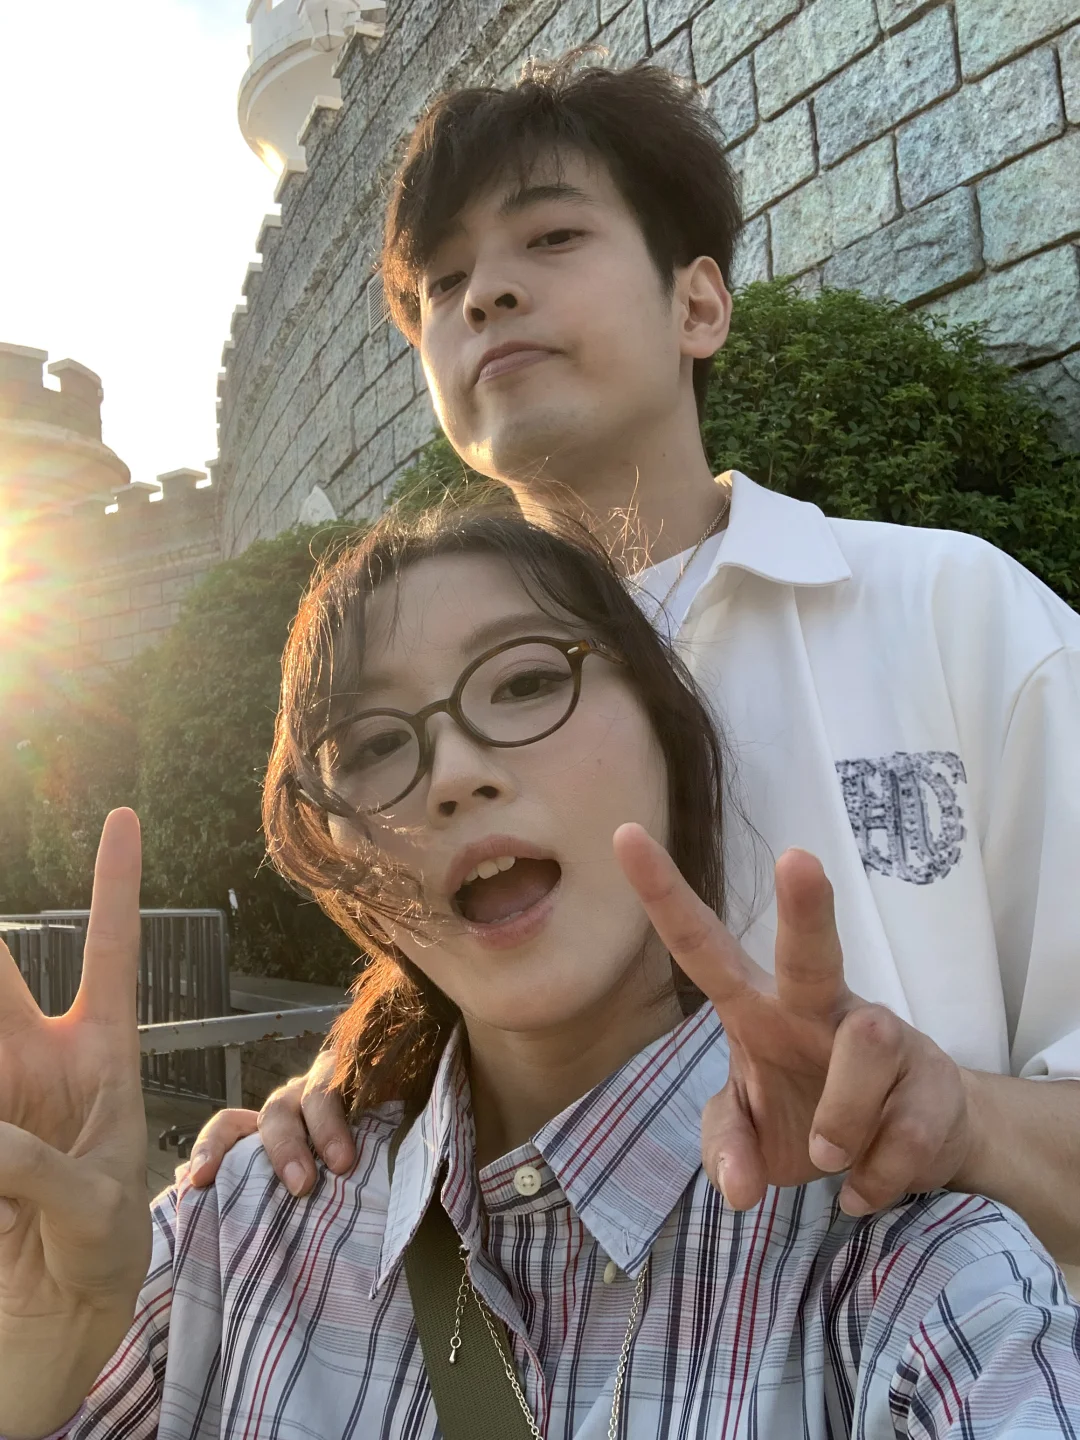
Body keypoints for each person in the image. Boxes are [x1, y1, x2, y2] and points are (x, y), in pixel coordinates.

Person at [188, 57, 1080, 1271]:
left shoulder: (955, 614)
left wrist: (959, 1120)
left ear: (698, 305)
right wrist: (342, 1122)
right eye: (443, 282)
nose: (487, 293)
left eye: (552, 236)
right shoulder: (429, 744)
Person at [1, 504, 1077, 1438]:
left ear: (667, 734)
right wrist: (30, 1380)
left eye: (523, 682)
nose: (454, 773)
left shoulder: (895, 1268)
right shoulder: (235, 1240)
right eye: (371, 746)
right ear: (347, 859)